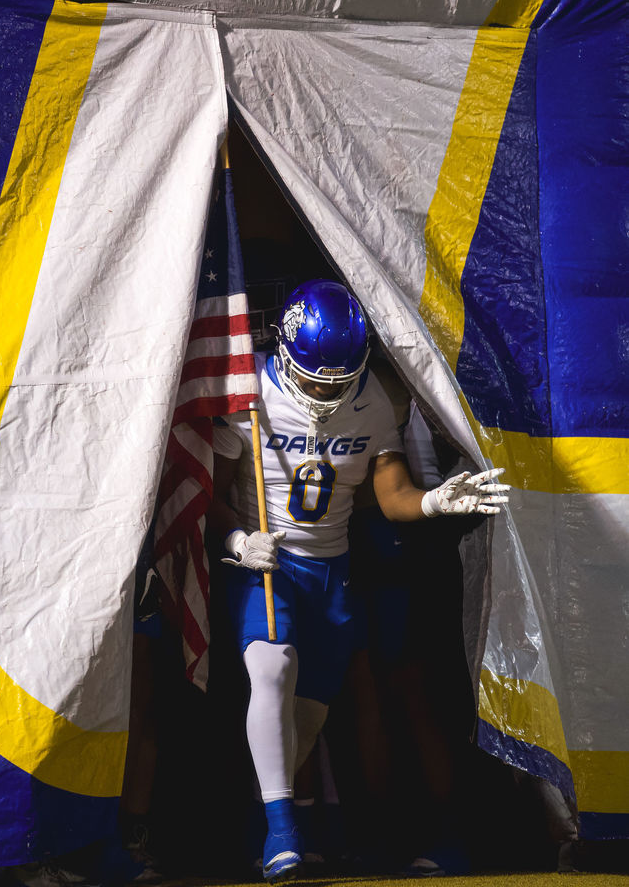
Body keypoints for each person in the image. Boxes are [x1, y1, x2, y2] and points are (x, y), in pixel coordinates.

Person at [208, 279, 509, 883]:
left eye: (336, 379)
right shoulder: (249, 392)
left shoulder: (371, 399)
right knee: (272, 668)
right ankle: (282, 832)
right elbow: (208, 497)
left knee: (310, 714)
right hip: (268, 566)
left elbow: (391, 492)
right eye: (315, 379)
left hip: (332, 570)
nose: (325, 391)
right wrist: (239, 541)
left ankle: (259, 820)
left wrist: (432, 503)